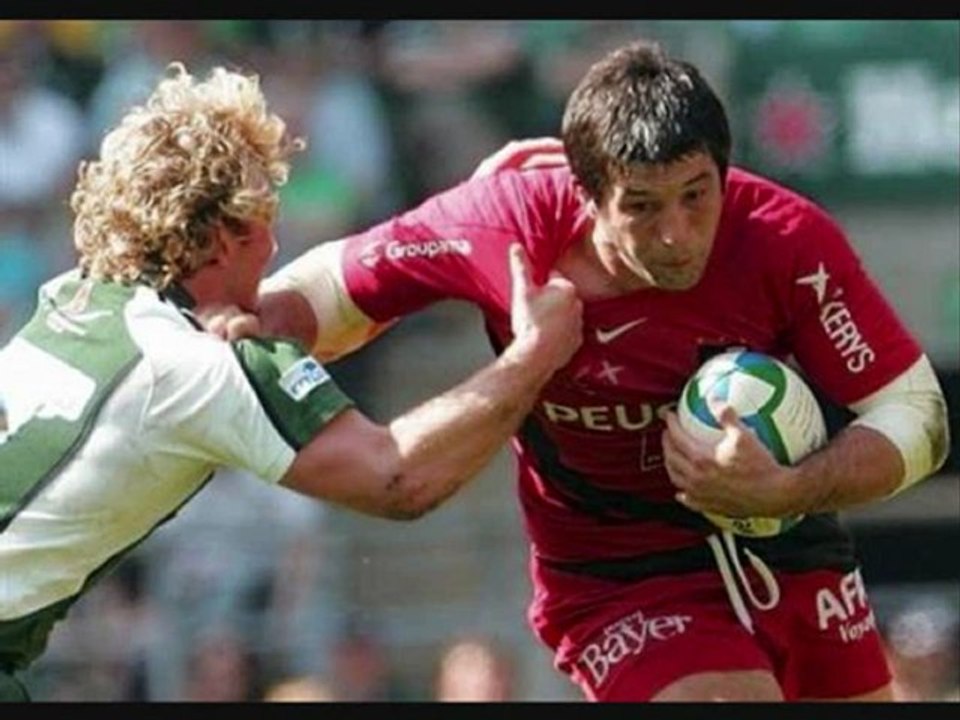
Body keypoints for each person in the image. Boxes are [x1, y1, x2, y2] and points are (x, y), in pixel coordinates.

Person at [245, 40, 951, 702]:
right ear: (583, 189)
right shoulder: (504, 225)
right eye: (641, 206)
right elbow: (324, 292)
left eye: (697, 194)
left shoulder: (785, 237)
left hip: (785, 539)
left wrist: (789, 486)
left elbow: (918, 416)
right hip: (619, 574)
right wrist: (233, 322)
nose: (676, 233)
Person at [0, 62, 582, 702]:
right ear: (224, 238)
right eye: (264, 222)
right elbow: (397, 477)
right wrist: (533, 357)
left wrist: (463, 221)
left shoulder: (77, 297)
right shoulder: (195, 367)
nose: (274, 247)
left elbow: (288, 312)